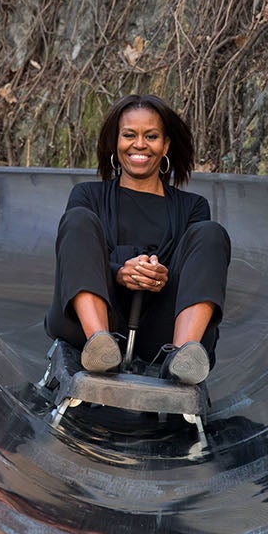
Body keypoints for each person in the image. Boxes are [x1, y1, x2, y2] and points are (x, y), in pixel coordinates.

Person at [43, 94, 230, 385]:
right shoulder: (87, 196)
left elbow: (193, 273)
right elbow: (78, 259)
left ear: (165, 145)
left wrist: (157, 275)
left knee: (211, 233)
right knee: (76, 220)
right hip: (96, 317)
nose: (139, 144)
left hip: (161, 330)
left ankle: (182, 356)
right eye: (129, 135)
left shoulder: (193, 207)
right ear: (115, 143)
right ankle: (99, 345)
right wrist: (119, 272)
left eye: (151, 136)